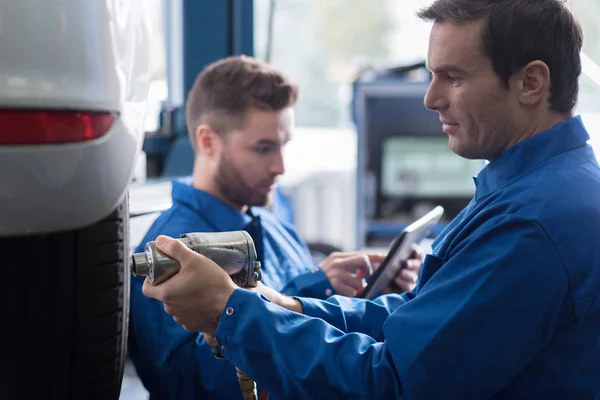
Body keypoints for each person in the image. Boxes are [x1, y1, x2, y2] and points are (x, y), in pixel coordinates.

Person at [142, 0, 600, 399]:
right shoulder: (543, 193)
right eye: (431, 75)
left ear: (531, 83)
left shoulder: (531, 225)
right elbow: (420, 325)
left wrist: (232, 314)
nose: (430, 98)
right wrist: (289, 305)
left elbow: (393, 383)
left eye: (452, 77)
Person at [129, 55, 420, 399]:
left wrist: (361, 297)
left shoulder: (273, 225)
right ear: (207, 141)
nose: (280, 166)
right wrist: (313, 289)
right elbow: (195, 384)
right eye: (264, 148)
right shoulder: (172, 251)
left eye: (284, 146)